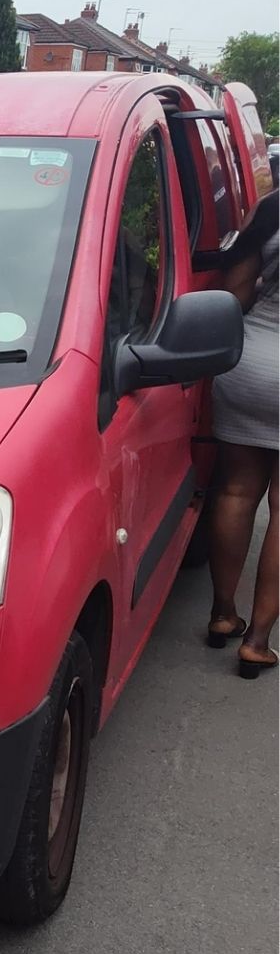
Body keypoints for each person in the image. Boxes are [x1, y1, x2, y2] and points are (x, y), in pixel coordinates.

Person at [207, 190, 279, 679]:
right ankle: (257, 642)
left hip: (251, 363)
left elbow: (234, 293)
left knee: (235, 490)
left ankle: (222, 614)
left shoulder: (274, 206)